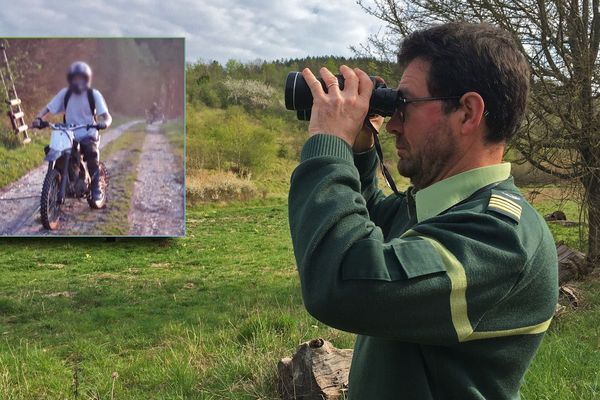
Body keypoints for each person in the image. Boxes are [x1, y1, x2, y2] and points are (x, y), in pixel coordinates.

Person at [288, 22, 558, 399]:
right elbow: (376, 227)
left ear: (467, 112)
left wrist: (328, 143)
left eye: (406, 104)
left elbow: (342, 282)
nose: (394, 123)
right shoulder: (448, 209)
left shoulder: (501, 236)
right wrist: (361, 149)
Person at [32, 61, 112, 202]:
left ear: (87, 79)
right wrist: (39, 117)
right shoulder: (65, 93)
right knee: (58, 153)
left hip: (88, 133)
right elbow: (48, 108)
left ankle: (96, 187)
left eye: (81, 78)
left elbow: (107, 116)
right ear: (71, 79)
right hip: (69, 133)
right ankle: (58, 183)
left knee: (91, 153)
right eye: (75, 78)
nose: (78, 81)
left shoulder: (93, 94)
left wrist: (104, 123)